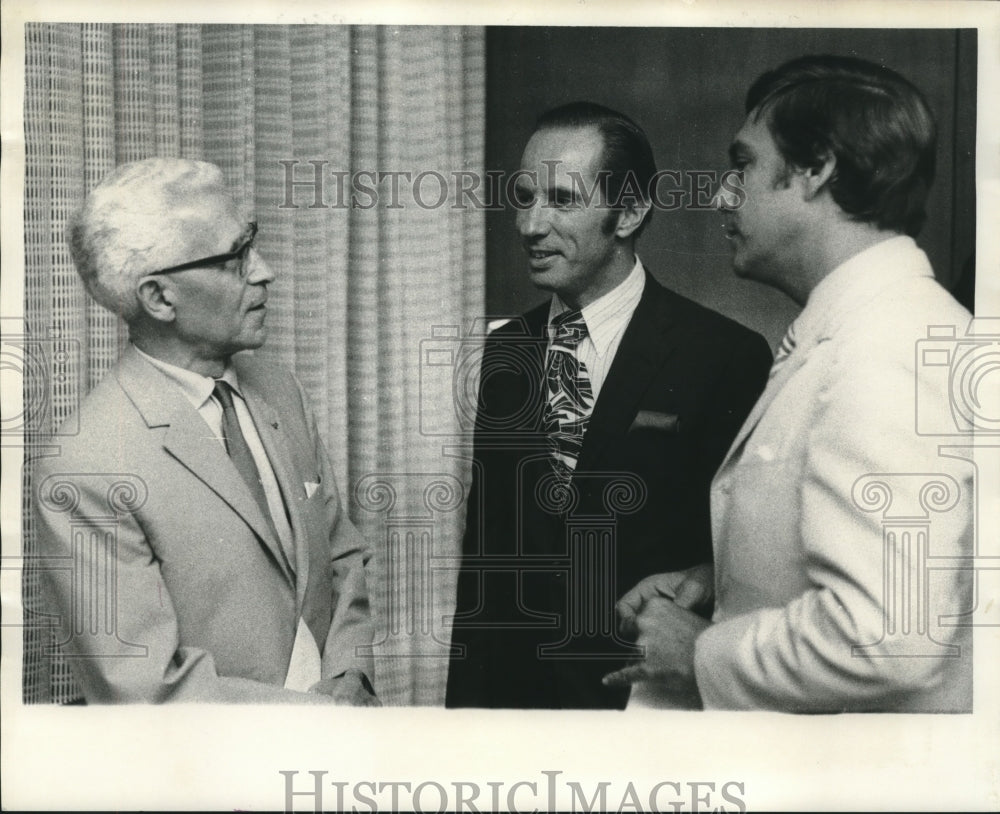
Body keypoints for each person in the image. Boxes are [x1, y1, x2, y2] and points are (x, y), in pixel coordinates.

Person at [605, 55, 974, 712]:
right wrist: (722, 582)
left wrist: (701, 651)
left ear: (816, 170)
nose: (722, 194)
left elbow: (888, 639)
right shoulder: (866, 329)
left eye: (742, 166)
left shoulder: (887, 346)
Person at [446, 102, 773, 709]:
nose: (529, 225)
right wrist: (462, 722)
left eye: (562, 200)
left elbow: (749, 557)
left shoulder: (723, 355)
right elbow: (485, 565)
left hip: (649, 710)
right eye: (524, 197)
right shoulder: (504, 352)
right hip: (518, 715)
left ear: (629, 212)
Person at [33, 158, 378, 704]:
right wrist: (322, 719)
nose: (265, 271)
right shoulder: (85, 464)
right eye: (235, 258)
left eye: (252, 243)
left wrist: (353, 676)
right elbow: (145, 687)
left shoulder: (279, 388)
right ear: (160, 298)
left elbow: (342, 557)